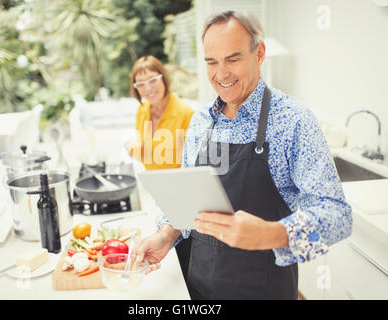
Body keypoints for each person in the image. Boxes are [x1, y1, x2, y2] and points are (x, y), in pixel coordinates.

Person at [135, 11, 353, 300]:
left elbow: (338, 216)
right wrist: (166, 235)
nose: (221, 74)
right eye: (212, 62)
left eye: (233, 59)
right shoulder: (201, 122)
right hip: (200, 286)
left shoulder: (293, 120)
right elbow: (188, 206)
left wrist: (272, 234)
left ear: (259, 53)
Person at [127, 55, 195, 170]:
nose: (148, 88)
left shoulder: (187, 114)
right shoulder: (142, 111)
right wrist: (133, 149)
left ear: (163, 78)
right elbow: (148, 152)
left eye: (152, 80)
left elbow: (193, 163)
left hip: (177, 183)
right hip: (150, 181)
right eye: (140, 84)